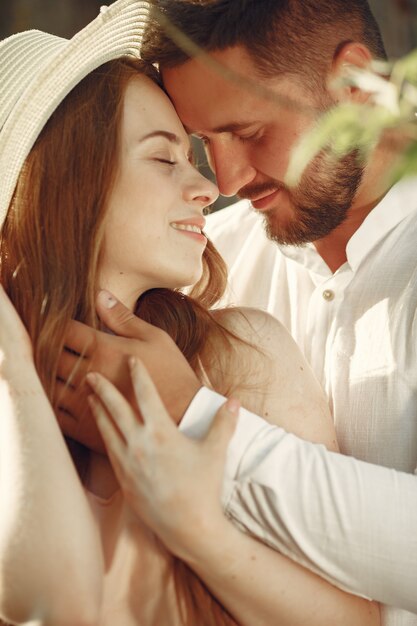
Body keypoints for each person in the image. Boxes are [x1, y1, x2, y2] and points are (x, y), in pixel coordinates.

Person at [0, 1, 380, 625]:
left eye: (194, 153)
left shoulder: (235, 355)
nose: (213, 186)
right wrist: (15, 361)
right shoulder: (16, 384)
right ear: (71, 183)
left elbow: (360, 620)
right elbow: (58, 603)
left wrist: (195, 523)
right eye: (166, 156)